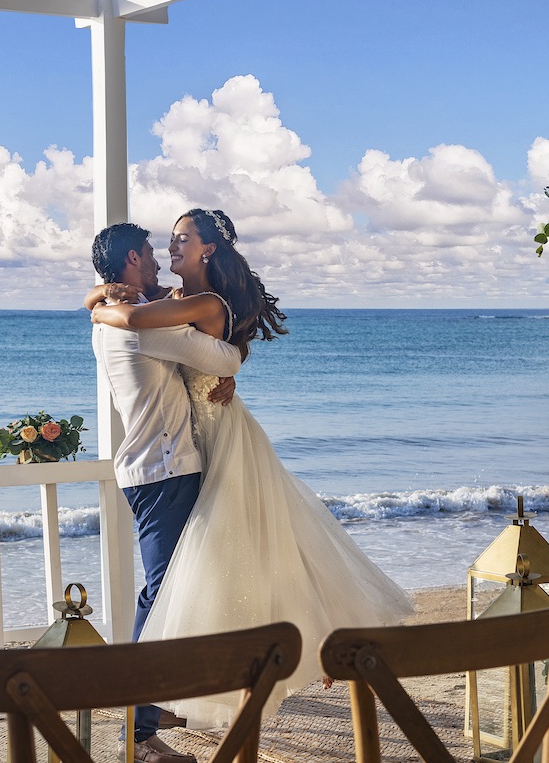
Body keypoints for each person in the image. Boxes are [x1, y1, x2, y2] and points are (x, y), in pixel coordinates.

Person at [91, 209, 415, 726]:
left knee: (261, 549)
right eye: (164, 243)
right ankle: (171, 698)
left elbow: (166, 338)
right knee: (221, 564)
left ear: (208, 250)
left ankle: (306, 642)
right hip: (189, 447)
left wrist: (100, 308)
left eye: (180, 240)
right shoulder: (169, 302)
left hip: (214, 440)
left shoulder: (202, 303)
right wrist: (101, 298)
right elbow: (178, 343)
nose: (168, 249)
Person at [89, 222, 243, 763]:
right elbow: (222, 360)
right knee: (157, 597)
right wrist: (232, 364)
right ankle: (139, 733)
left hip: (153, 471)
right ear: (133, 258)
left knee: (169, 589)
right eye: (150, 253)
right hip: (165, 473)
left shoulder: (122, 315)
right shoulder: (137, 327)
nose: (158, 261)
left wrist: (99, 301)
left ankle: (152, 703)